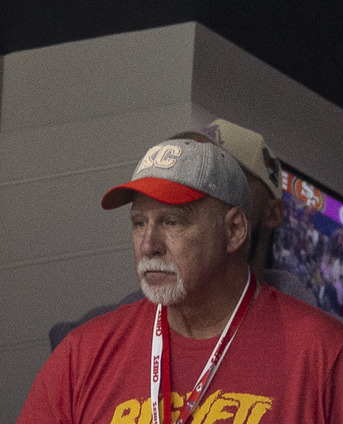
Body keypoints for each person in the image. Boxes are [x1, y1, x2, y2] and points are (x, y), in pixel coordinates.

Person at [13, 133, 343, 424]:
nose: (149, 245)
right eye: (139, 223)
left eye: (172, 222)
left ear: (235, 229)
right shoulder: (81, 355)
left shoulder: (325, 354)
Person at [47, 119, 318, 351]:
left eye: (230, 177)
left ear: (271, 213)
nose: (148, 243)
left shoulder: (321, 346)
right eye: (190, 173)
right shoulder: (96, 341)